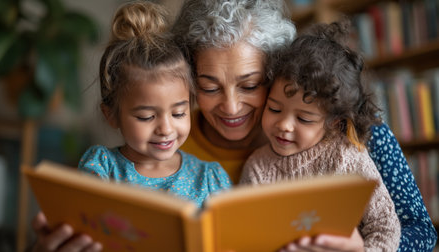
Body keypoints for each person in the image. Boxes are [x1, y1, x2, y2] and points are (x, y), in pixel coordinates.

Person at [172, 0, 437, 251]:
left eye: (250, 85)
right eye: (209, 87)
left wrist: (360, 248)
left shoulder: (356, 134)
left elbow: (423, 232)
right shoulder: (169, 143)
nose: (231, 107)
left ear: (277, 73)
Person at [29, 1, 231, 251]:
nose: (166, 128)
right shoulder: (102, 169)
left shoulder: (210, 179)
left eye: (179, 113)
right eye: (146, 117)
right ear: (111, 115)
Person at [240, 20, 400, 251]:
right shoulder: (257, 167)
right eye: (274, 109)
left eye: (304, 119)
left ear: (333, 124)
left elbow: (385, 225)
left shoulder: (347, 157)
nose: (284, 125)